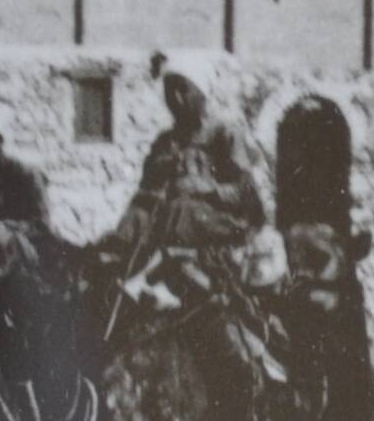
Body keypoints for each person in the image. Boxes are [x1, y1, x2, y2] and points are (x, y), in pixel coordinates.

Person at [108, 61, 271, 274]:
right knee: (137, 215)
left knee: (181, 209)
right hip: (171, 220)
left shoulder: (224, 133)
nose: (176, 98)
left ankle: (156, 272)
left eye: (183, 89)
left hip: (223, 221)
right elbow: (145, 189)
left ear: (201, 93)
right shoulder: (165, 142)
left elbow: (246, 193)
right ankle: (113, 269)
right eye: (169, 91)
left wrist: (206, 189)